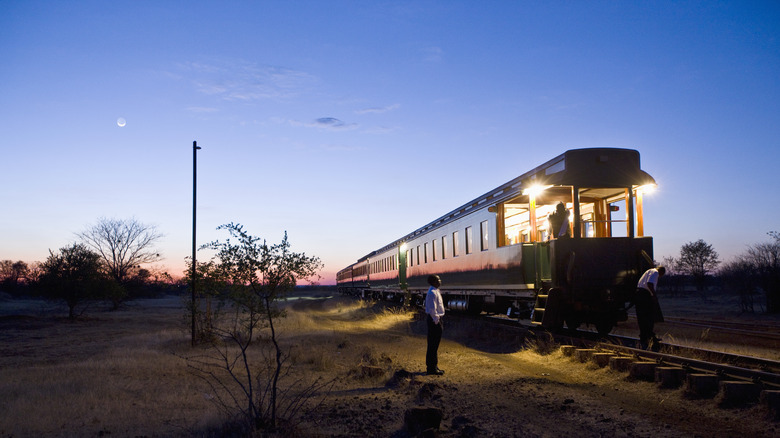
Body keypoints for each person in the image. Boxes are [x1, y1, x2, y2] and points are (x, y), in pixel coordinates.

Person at [635, 266, 666, 350]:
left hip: (640, 294)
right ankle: (648, 337)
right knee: (648, 317)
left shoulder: (649, 271)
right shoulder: (655, 272)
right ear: (661, 272)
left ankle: (645, 337)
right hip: (644, 295)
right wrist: (654, 295)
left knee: (643, 317)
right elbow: (649, 284)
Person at [424, 274, 445, 375]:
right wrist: (437, 321)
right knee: (433, 345)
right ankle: (431, 368)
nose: (440, 281)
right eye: (438, 280)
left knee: (434, 345)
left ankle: (433, 366)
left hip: (435, 319)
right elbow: (432, 309)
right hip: (434, 320)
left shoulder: (435, 291)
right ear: (433, 282)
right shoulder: (432, 293)